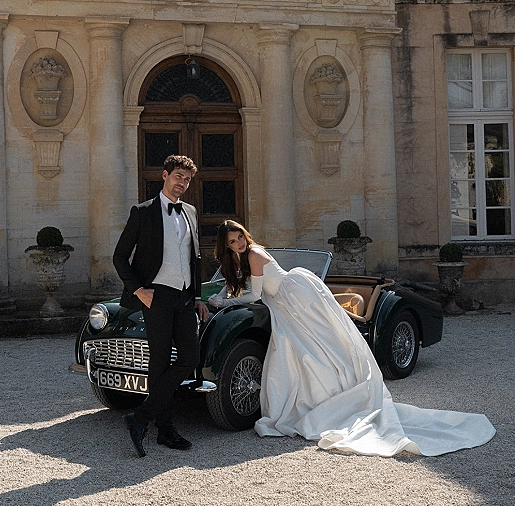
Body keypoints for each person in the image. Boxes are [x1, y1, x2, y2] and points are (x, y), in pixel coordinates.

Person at [214, 220, 496, 457]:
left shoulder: (253, 253)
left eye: (240, 236)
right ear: (226, 246)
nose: (239, 242)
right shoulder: (240, 259)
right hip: (283, 302)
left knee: (310, 348)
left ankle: (328, 398)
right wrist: (219, 297)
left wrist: (222, 304)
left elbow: (253, 295)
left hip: (293, 298)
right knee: (298, 348)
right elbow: (237, 288)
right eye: (232, 241)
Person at [113, 154, 209, 457]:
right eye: (178, 176)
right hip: (156, 296)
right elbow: (120, 256)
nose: (182, 183)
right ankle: (165, 429)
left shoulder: (191, 212)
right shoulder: (143, 212)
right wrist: (139, 290)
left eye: (187, 179)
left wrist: (196, 296)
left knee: (189, 358)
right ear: (164, 175)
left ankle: (140, 418)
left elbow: (194, 259)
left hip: (183, 297)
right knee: (159, 362)